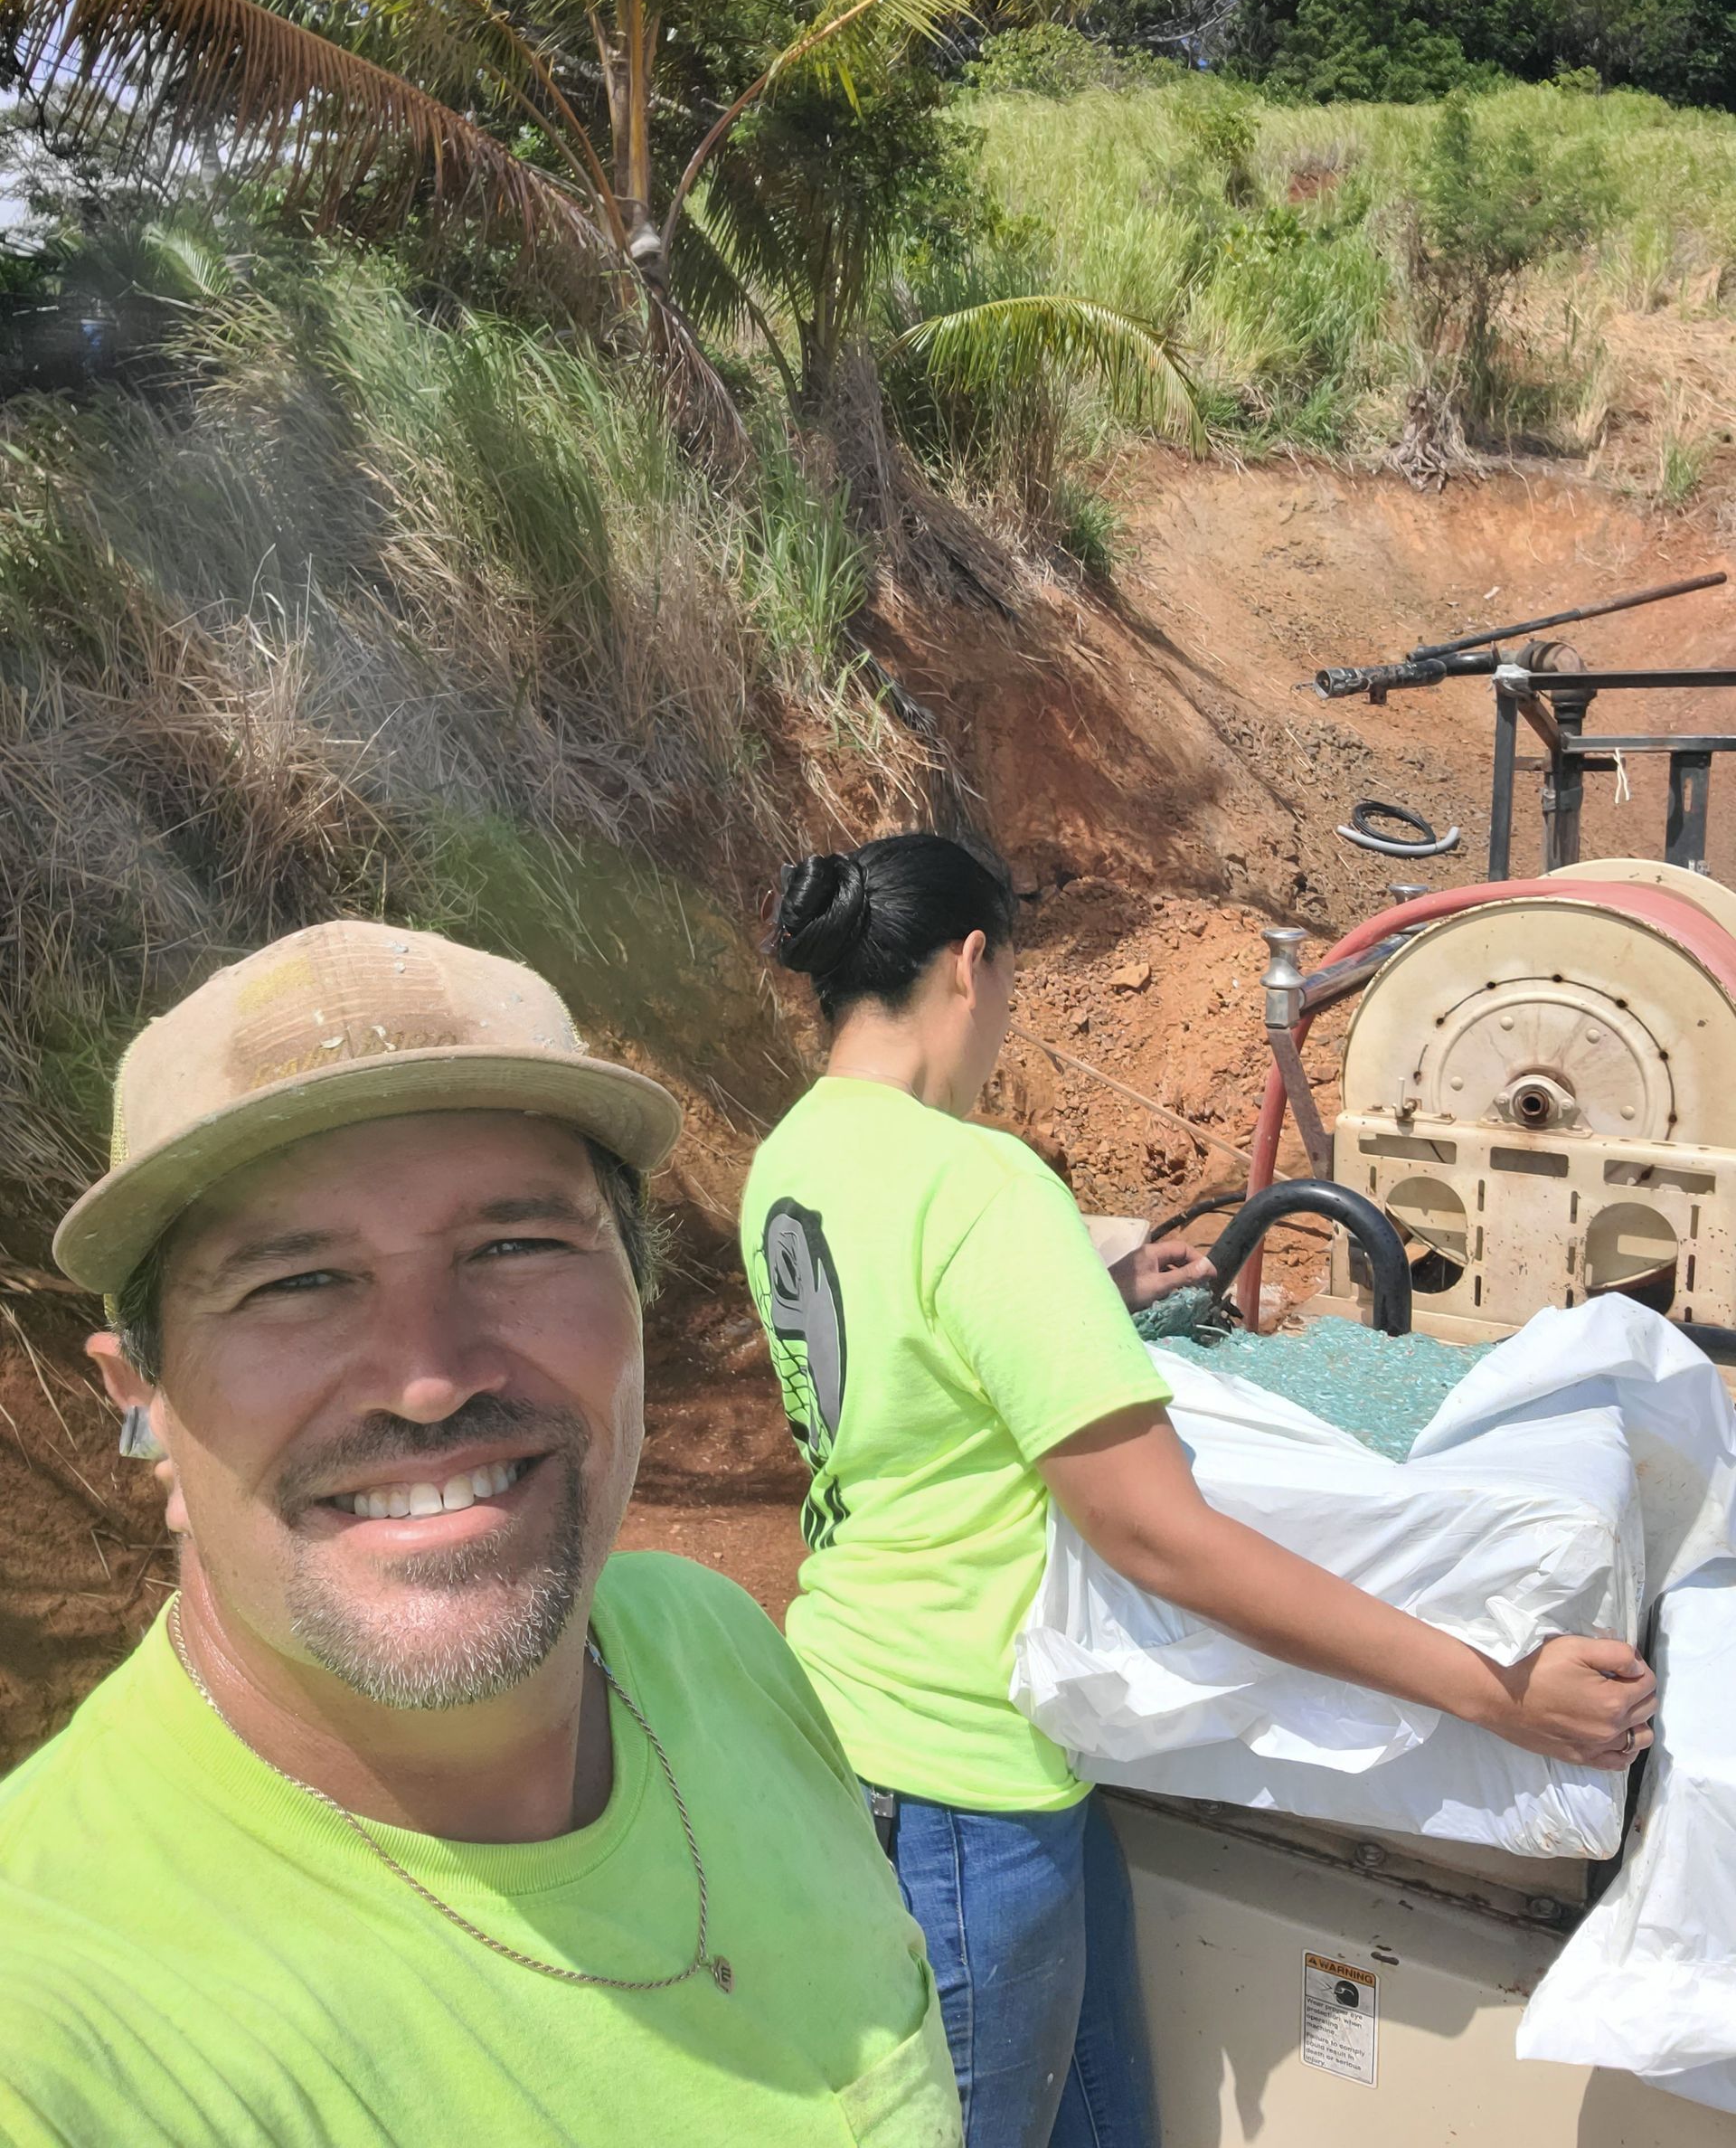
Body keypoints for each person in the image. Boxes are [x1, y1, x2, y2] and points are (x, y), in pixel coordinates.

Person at [740, 832, 1658, 2148]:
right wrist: (1494, 1690)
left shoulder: (792, 1158)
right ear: (973, 961)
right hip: (967, 1777)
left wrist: (1086, 1298)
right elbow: (1163, 1539)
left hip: (847, 1713)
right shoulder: (979, 1181)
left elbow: (894, 1361)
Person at [0, 920, 963, 2148]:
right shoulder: (55, 2049)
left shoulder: (717, 1647)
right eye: (293, 1282)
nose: (428, 1378)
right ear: (145, 1410)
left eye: (514, 1246)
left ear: (636, 1303)